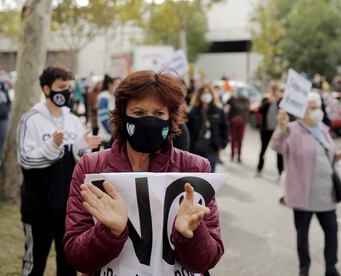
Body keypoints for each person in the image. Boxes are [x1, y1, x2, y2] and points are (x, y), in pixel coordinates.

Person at [64, 71, 224, 276]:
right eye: (139, 113)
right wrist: (109, 233)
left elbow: (206, 261)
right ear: (123, 116)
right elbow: (77, 258)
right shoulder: (91, 168)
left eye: (159, 114)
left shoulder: (194, 168)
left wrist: (191, 234)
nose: (149, 122)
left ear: (171, 117)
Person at [17, 66, 101, 276]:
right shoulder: (30, 120)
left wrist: (83, 146)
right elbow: (26, 160)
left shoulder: (73, 120)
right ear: (46, 89)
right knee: (35, 261)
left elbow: (79, 159)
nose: (66, 92)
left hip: (68, 207)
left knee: (68, 262)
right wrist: (52, 146)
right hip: (38, 207)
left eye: (69, 88)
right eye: (61, 87)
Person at [271, 92, 340, 276]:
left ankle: (331, 267)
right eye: (311, 106)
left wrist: (337, 154)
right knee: (303, 235)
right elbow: (277, 146)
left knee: (332, 230)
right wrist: (281, 127)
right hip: (304, 194)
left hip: (327, 194)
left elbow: (329, 152)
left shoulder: (323, 129)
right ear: (302, 109)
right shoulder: (292, 130)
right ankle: (304, 268)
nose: (316, 110)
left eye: (317, 106)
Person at [188, 84, 228, 172]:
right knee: (194, 176)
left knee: (209, 175)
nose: (206, 95)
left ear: (212, 94)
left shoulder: (218, 111)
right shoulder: (193, 111)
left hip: (211, 149)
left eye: (208, 93)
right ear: (199, 95)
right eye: (203, 93)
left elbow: (225, 129)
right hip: (195, 149)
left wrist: (221, 145)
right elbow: (188, 130)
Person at [256, 81, 283, 177]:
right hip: (266, 129)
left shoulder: (281, 100)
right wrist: (268, 102)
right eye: (273, 89)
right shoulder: (266, 99)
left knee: (279, 153)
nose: (274, 91)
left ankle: (280, 173)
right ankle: (259, 169)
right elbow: (260, 110)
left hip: (277, 131)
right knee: (263, 150)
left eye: (276, 89)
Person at [97, 75, 121, 149]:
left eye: (121, 85)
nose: (119, 87)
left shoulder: (114, 97)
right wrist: (113, 132)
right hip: (107, 136)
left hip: (113, 136)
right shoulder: (104, 97)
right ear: (110, 85)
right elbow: (103, 118)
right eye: (117, 84)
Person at [227, 89, 250, 163]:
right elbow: (228, 104)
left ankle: (239, 155)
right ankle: (232, 154)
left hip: (242, 124)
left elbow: (247, 111)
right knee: (233, 140)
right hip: (233, 124)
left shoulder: (247, 101)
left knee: (240, 140)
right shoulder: (233, 100)